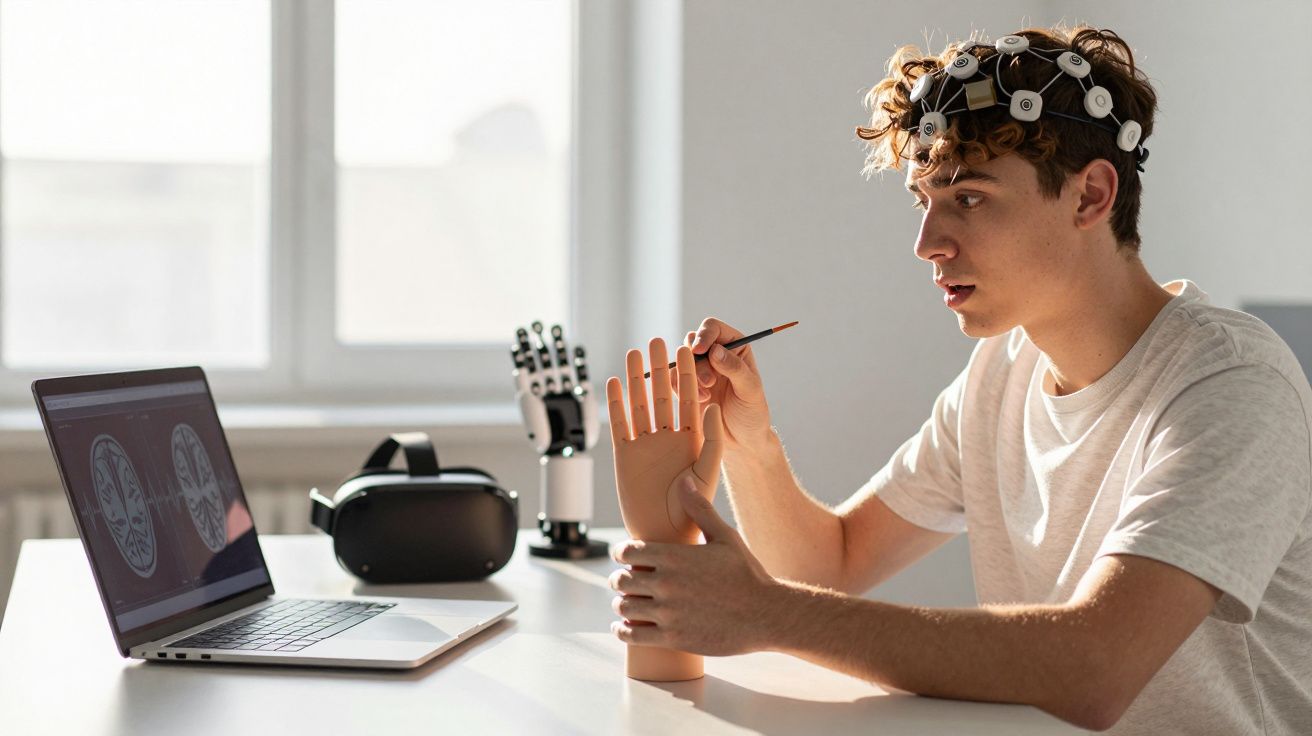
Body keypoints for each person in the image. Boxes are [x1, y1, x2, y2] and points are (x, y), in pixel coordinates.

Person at [605, 25, 1312, 733]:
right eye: (924, 201)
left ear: (1091, 196)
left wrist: (767, 615)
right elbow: (830, 566)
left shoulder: (1232, 386)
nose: (926, 245)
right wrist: (750, 440)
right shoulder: (1003, 369)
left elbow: (1095, 667)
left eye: (969, 199)